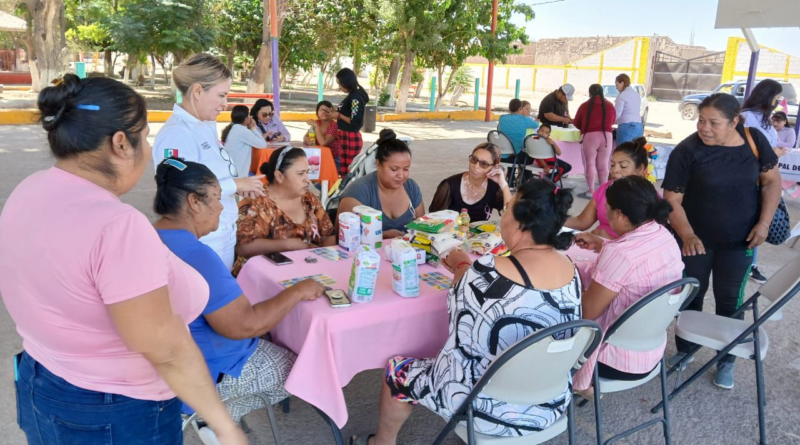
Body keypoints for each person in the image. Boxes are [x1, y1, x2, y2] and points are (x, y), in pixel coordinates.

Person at [0, 75, 246, 445]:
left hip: (42, 380)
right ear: (120, 143)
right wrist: (225, 427)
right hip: (113, 409)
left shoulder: (30, 190)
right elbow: (167, 349)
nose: (147, 149)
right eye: (144, 137)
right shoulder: (117, 226)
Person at [349, 179, 580, 444]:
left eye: (508, 208)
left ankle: (381, 443)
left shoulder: (487, 273)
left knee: (396, 369)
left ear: (520, 224)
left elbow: (460, 326)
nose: (503, 214)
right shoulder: (571, 269)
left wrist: (462, 266)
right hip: (548, 402)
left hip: (485, 409)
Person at [153, 157, 324, 439]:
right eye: (216, 199)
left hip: (167, 362)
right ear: (195, 203)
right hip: (207, 369)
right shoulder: (198, 256)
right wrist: (299, 290)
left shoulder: (149, 235)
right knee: (301, 368)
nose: (221, 207)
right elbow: (245, 325)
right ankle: (215, 416)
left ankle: (213, 418)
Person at [662, 93, 781, 389]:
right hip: (694, 241)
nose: (704, 127)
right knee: (692, 295)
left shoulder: (754, 142)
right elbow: (671, 200)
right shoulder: (687, 150)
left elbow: (772, 182)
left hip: (740, 241)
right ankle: (686, 350)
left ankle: (726, 359)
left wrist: (764, 223)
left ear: (734, 122)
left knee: (730, 301)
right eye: (701, 120)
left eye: (714, 122)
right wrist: (687, 234)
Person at [571, 176, 683, 395]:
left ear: (620, 215)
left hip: (613, 360)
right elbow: (635, 260)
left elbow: (587, 312)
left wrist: (567, 275)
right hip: (649, 348)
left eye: (608, 210)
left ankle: (561, 387)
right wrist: (602, 244)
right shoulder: (663, 234)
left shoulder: (620, 254)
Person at [153, 53, 265, 270]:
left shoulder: (204, 126)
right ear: (197, 91)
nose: (225, 104)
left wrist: (236, 187)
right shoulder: (178, 134)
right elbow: (180, 190)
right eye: (221, 95)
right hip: (202, 240)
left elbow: (212, 175)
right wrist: (236, 184)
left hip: (220, 232)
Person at [233, 147, 336, 275]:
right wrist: (289, 245)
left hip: (310, 271)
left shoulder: (309, 199)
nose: (307, 179)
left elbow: (328, 235)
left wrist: (326, 264)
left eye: (307, 173)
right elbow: (243, 247)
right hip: (262, 277)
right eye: (300, 173)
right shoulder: (255, 203)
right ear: (279, 176)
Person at [337, 129, 425, 238]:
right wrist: (381, 236)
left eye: (406, 169)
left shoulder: (411, 188)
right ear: (378, 164)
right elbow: (341, 236)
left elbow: (422, 228)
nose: (401, 175)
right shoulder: (359, 191)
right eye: (394, 169)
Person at [565, 137, 651, 239]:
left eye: (623, 166)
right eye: (612, 165)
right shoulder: (605, 189)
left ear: (640, 168)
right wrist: (551, 218)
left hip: (626, 252)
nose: (615, 170)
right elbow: (582, 222)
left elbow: (647, 243)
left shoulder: (650, 198)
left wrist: (608, 241)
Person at [741, 79, 783, 284]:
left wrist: (776, 152)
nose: (778, 102)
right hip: (751, 179)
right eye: (776, 98)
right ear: (767, 96)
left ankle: (750, 264)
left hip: (766, 177)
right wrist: (771, 152)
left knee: (760, 221)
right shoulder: (747, 117)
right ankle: (747, 264)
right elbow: (745, 149)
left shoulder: (766, 119)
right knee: (751, 221)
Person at [428, 143, 512, 222]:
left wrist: (503, 185)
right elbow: (433, 219)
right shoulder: (449, 185)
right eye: (474, 159)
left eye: (484, 164)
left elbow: (510, 217)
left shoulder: (494, 187)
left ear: (495, 167)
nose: (475, 166)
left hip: (480, 236)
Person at [574, 83, 616, 195]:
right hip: (606, 136)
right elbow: (613, 120)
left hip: (589, 136)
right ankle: (603, 191)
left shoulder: (584, 105)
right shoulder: (610, 105)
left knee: (590, 164)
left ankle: (591, 190)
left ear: (590, 93)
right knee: (603, 164)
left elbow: (576, 122)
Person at [332, 67, 369, 175]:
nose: (339, 87)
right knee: (344, 172)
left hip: (350, 138)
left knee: (350, 172)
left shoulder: (355, 98)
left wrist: (338, 115)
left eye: (340, 84)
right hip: (345, 137)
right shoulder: (353, 96)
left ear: (346, 82)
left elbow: (355, 121)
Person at [221, 104, 267, 176]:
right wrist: (252, 128)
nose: (251, 117)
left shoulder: (237, 129)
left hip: (234, 172)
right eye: (249, 115)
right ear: (245, 118)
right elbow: (263, 144)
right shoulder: (241, 130)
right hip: (237, 174)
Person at [304, 100, 342, 172]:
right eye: (321, 110)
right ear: (317, 113)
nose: (323, 112)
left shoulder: (334, 125)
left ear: (331, 113)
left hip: (333, 159)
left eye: (326, 110)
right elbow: (305, 137)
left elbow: (323, 143)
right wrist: (307, 140)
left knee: (323, 180)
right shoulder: (317, 122)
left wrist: (316, 126)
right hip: (318, 157)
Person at [614, 73, 643, 144]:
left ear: (622, 83)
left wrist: (610, 122)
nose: (616, 88)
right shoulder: (636, 94)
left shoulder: (621, 96)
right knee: (635, 153)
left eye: (617, 85)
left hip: (627, 126)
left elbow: (617, 114)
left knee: (623, 152)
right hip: (639, 126)